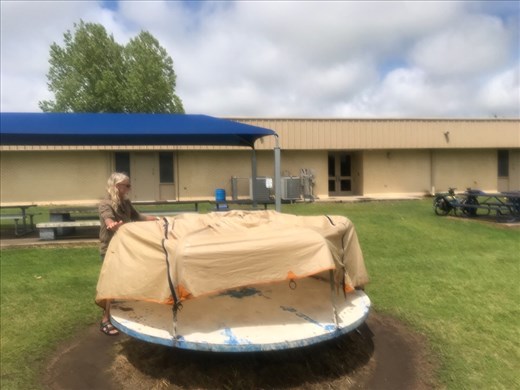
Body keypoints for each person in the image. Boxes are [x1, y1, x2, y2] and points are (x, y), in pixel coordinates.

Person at [98, 172, 157, 336]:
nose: (130, 188)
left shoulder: (126, 203)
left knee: (123, 281)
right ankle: (105, 320)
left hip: (124, 247)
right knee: (110, 285)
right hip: (110, 249)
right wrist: (112, 225)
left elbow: (138, 217)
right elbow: (108, 219)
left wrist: (158, 219)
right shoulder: (105, 204)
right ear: (117, 186)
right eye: (127, 185)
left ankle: (120, 312)